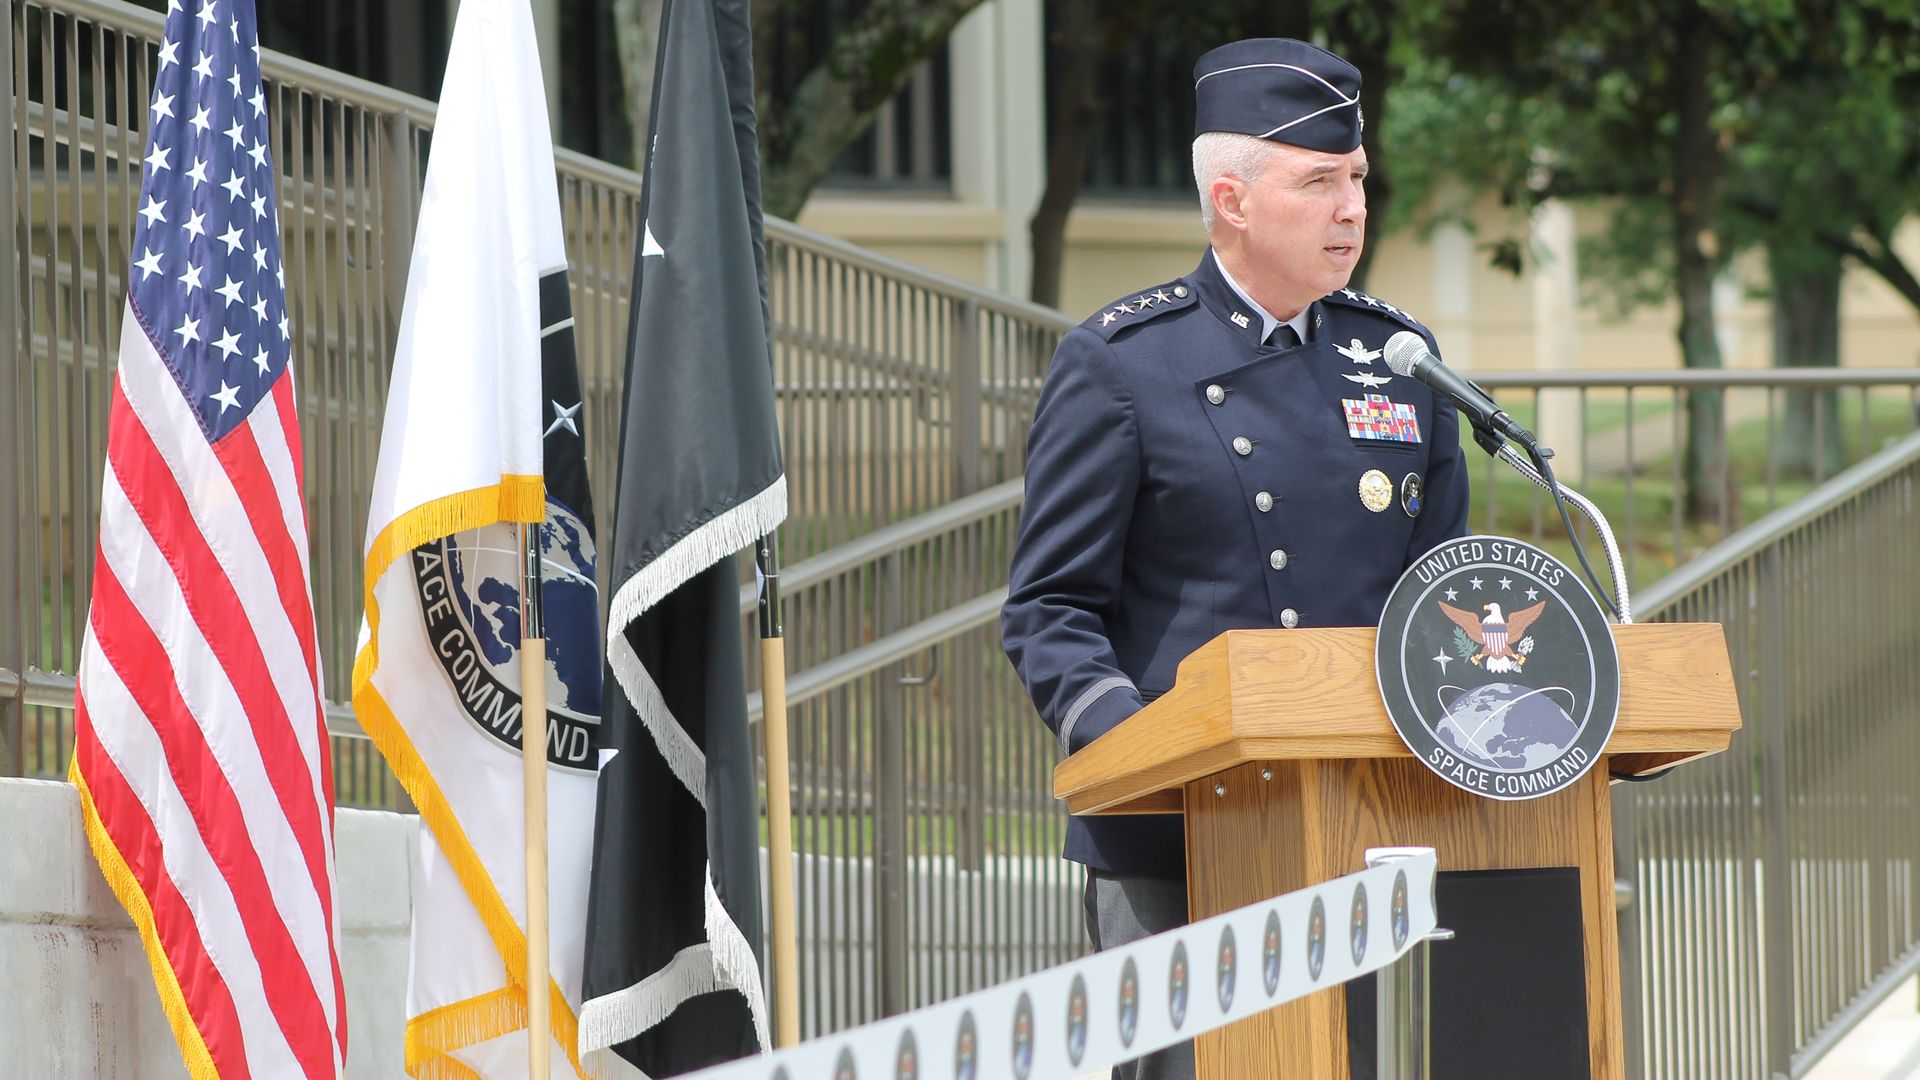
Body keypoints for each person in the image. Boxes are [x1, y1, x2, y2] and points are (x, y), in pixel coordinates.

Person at [1000, 37, 1471, 1080]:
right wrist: (1143, 753)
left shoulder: (1402, 360)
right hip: (1177, 839)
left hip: (1355, 824)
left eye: (1355, 178)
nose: (1353, 206)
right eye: (1318, 182)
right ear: (1232, 200)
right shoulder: (1124, 365)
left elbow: (1438, 600)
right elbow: (1050, 609)